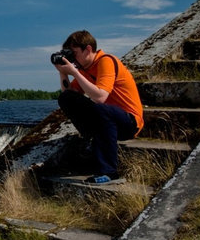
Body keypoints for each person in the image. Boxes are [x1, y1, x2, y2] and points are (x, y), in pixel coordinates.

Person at [53, 30, 144, 184]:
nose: (73, 58)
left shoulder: (106, 61)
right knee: (66, 98)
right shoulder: (84, 69)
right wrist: (63, 73)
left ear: (88, 49)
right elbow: (70, 95)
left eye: (74, 53)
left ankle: (109, 172)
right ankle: (91, 139)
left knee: (101, 108)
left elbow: (100, 97)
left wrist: (75, 72)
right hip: (107, 121)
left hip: (129, 122)